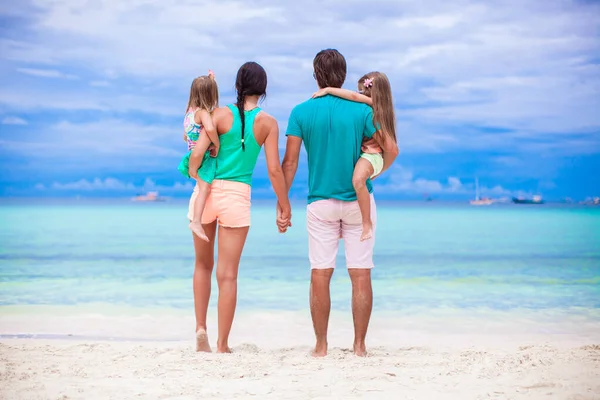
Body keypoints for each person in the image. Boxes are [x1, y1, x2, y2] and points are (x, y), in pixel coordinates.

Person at [279, 49, 399, 357]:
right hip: (359, 201)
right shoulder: (363, 111)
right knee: (360, 273)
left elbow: (289, 163)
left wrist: (283, 202)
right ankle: (359, 347)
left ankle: (321, 347)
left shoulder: (300, 112)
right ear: (343, 76)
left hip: (320, 202)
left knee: (320, 272)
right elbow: (389, 149)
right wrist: (374, 170)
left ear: (316, 75)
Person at [188, 62, 292, 353]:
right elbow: (274, 170)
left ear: (237, 86)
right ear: (263, 90)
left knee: (202, 265)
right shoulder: (268, 123)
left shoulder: (219, 115)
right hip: (237, 197)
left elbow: (197, 154)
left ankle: (200, 329)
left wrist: (196, 175)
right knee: (228, 275)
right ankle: (222, 345)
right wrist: (284, 205)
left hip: (206, 193)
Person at [312, 72, 398, 241]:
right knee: (358, 180)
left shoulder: (371, 104)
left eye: (362, 91)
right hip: (369, 155)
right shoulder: (378, 108)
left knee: (358, 181)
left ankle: (366, 223)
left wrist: (328, 90)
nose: (359, 95)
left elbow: (351, 96)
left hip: (371, 155)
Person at [177, 70, 220, 242]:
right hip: (202, 158)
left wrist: (211, 80)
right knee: (205, 189)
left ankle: (196, 220)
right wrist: (216, 144)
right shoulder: (202, 113)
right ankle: (196, 221)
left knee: (202, 188)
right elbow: (209, 129)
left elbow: (185, 136)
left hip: (190, 154)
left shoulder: (188, 112)